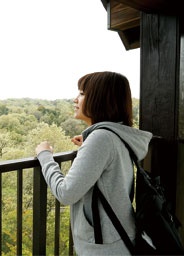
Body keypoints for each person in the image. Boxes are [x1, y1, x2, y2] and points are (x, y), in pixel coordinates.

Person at [35, 71, 153, 255]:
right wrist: (88, 143)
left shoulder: (101, 139)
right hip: (119, 237)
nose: (75, 99)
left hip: (105, 246)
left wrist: (44, 156)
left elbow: (66, 193)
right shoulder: (116, 135)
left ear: (101, 99)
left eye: (82, 93)